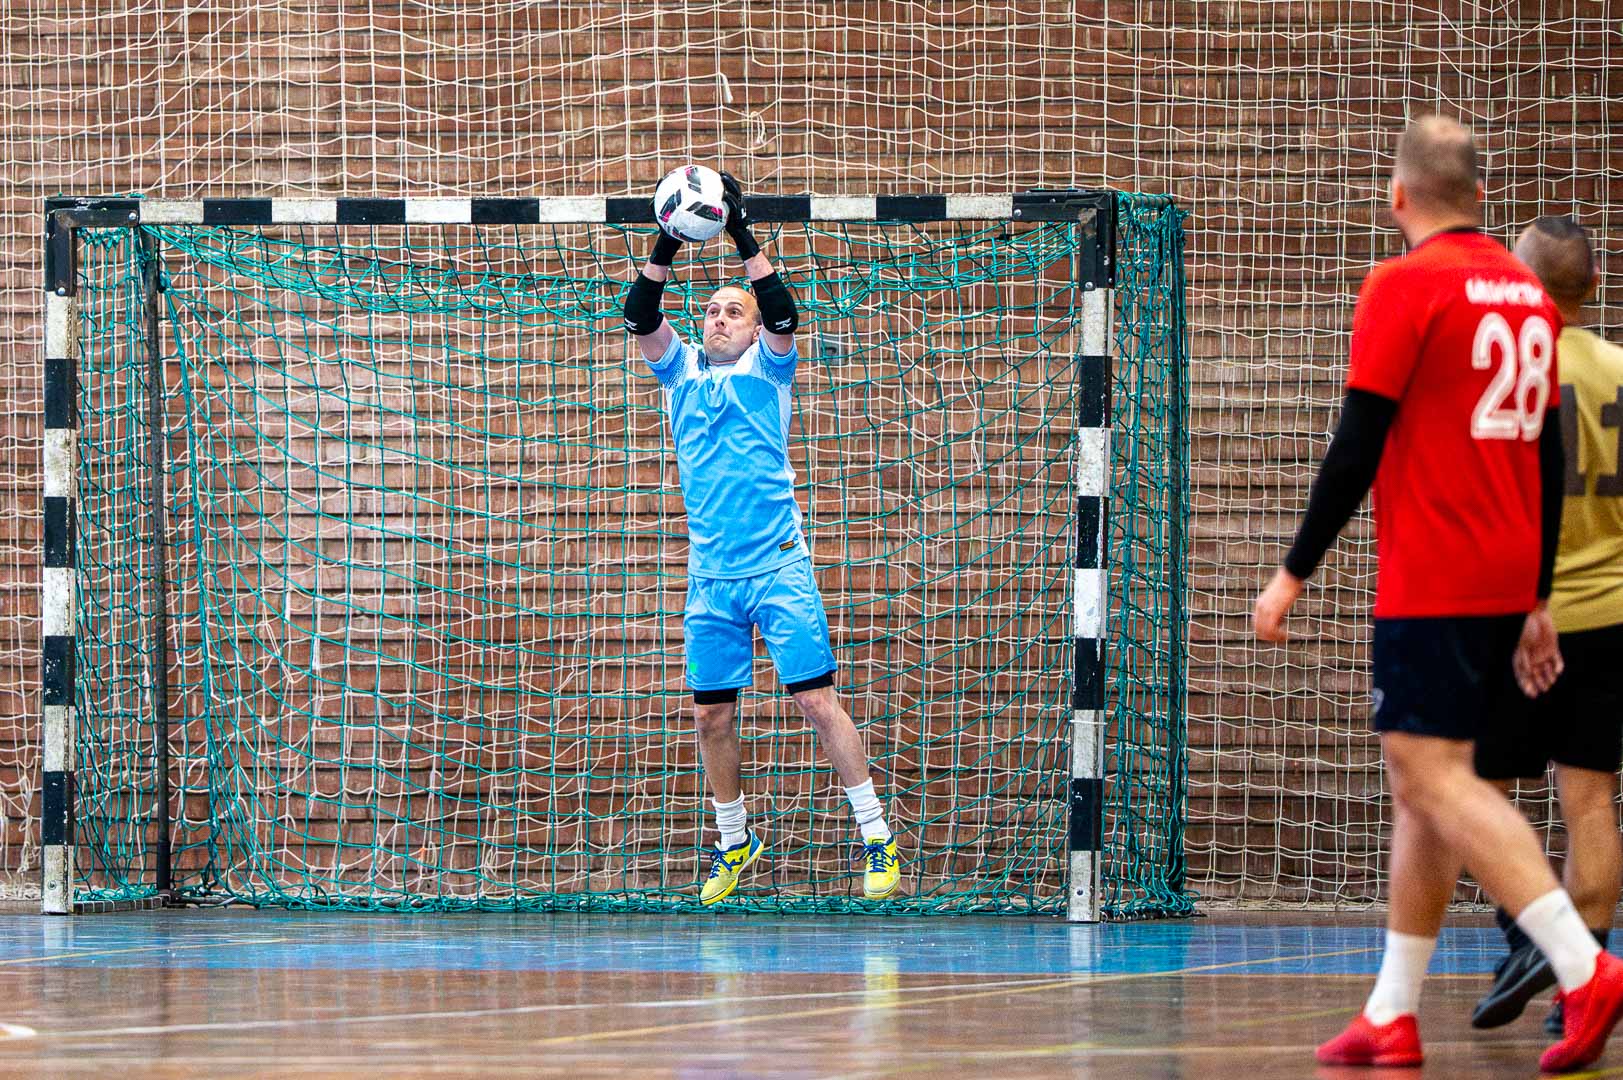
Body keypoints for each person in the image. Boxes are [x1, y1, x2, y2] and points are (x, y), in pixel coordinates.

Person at [1252, 115, 1623, 1072]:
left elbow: (1357, 441)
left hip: (1434, 574)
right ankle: (1392, 1009)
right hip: (1505, 577)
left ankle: (1583, 967)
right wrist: (1535, 594)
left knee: (1433, 779)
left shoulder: (1402, 283)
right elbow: (1543, 454)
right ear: (1480, 196)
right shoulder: (1527, 295)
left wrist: (1293, 571)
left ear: (1397, 196)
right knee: (1419, 791)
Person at [620, 171, 902, 906]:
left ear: (751, 331)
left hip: (777, 567)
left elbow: (782, 308)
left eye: (732, 312)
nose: (719, 319)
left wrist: (738, 228)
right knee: (710, 713)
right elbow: (639, 310)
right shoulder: (679, 374)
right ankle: (733, 838)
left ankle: (876, 835)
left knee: (816, 703)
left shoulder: (770, 371)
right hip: (712, 577)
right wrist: (670, 238)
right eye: (711, 311)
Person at [1470, 216, 1623, 1035]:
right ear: (1592, 286)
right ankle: (1580, 989)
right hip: (1610, 611)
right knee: (1590, 801)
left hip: (1517, 611)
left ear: (1517, 284)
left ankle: (1532, 935)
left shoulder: (1505, 375)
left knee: (1472, 792)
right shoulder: (1621, 373)